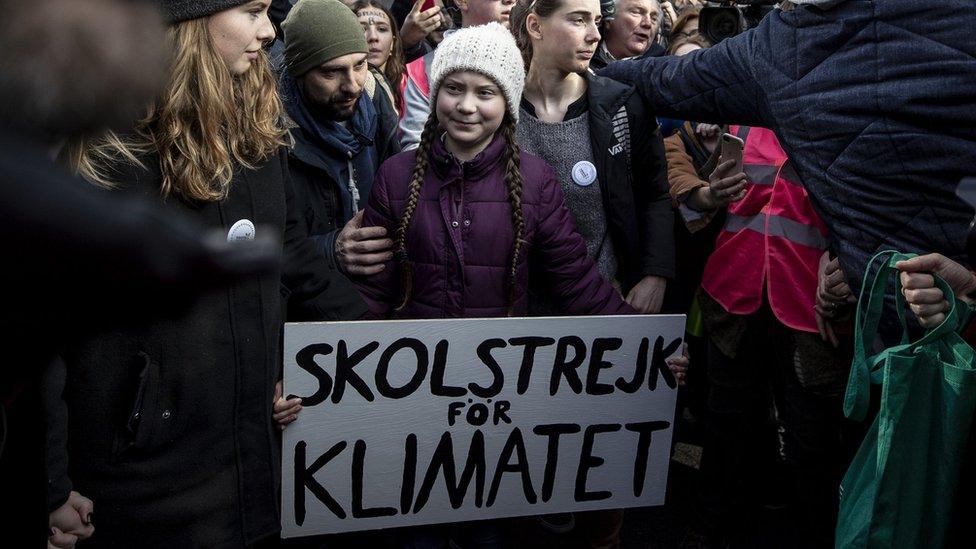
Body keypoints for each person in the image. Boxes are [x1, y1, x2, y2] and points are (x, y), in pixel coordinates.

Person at [53, 1, 367, 546]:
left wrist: (372, 337)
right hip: (145, 489)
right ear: (190, 19)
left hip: (253, 467)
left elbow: (284, 249)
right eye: (252, 11)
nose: (269, 31)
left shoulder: (257, 126)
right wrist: (50, 484)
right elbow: (41, 328)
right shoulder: (104, 149)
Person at [599, 0, 976, 300]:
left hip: (900, 310)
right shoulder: (781, 45)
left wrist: (573, 74)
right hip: (889, 307)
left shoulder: (782, 45)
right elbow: (669, 80)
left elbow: (667, 81)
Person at [511, 0, 674, 313]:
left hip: (607, 301)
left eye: (597, 21)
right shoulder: (500, 110)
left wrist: (656, 274)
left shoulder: (622, 106)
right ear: (535, 26)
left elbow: (655, 194)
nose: (595, 35)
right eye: (578, 20)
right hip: (520, 310)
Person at [279, 0, 401, 277]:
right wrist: (329, 250)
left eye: (360, 65)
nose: (352, 85)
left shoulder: (375, 101)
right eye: (330, 72)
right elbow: (266, 248)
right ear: (300, 73)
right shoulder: (271, 133)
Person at [398, 0, 516, 150]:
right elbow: (414, 149)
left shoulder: (534, 60)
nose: (510, 0)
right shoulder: (424, 68)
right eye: (453, 88)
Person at [355, 0, 407, 111]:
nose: (373, 37)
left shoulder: (412, 87)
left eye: (382, 29)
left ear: (392, 43)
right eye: (361, 29)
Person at [589, 0, 664, 71]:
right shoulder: (583, 54)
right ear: (608, 20)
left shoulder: (662, 68)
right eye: (636, 12)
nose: (648, 23)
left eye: (654, 18)